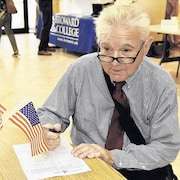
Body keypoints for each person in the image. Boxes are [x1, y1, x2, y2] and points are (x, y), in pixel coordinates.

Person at [37, 1, 180, 179]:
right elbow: (50, 112)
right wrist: (47, 129)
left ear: (146, 47)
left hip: (140, 168)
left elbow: (166, 147)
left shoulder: (160, 84)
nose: (114, 61)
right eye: (106, 48)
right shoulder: (81, 69)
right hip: (89, 166)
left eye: (126, 51)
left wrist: (112, 157)